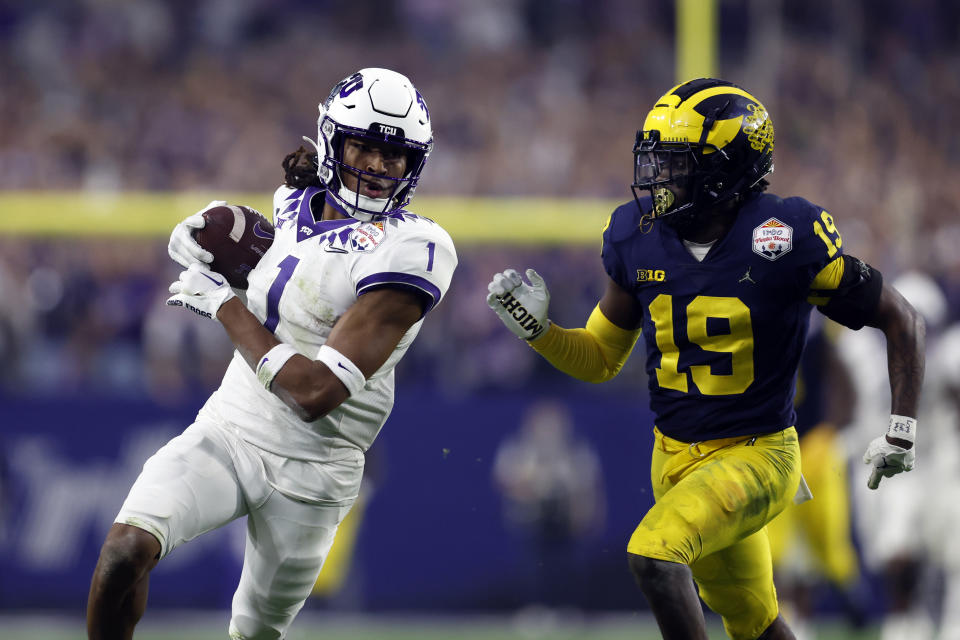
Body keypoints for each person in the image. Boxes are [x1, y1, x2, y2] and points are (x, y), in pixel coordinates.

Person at [486, 78, 925, 640]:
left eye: (675, 163)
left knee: (654, 556)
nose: (658, 178)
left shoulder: (784, 234)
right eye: (656, 161)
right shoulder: (635, 235)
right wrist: (540, 331)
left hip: (756, 454)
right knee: (753, 621)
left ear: (727, 170)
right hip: (671, 456)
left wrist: (902, 430)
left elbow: (902, 318)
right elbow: (598, 359)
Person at [86, 67, 457, 640]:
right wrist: (209, 233)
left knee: (252, 634)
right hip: (233, 425)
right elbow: (275, 264)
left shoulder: (415, 248)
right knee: (124, 550)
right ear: (334, 141)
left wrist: (223, 305)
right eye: (364, 147)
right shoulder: (292, 200)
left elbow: (316, 393)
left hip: (315, 467)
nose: (379, 168)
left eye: (394, 155)